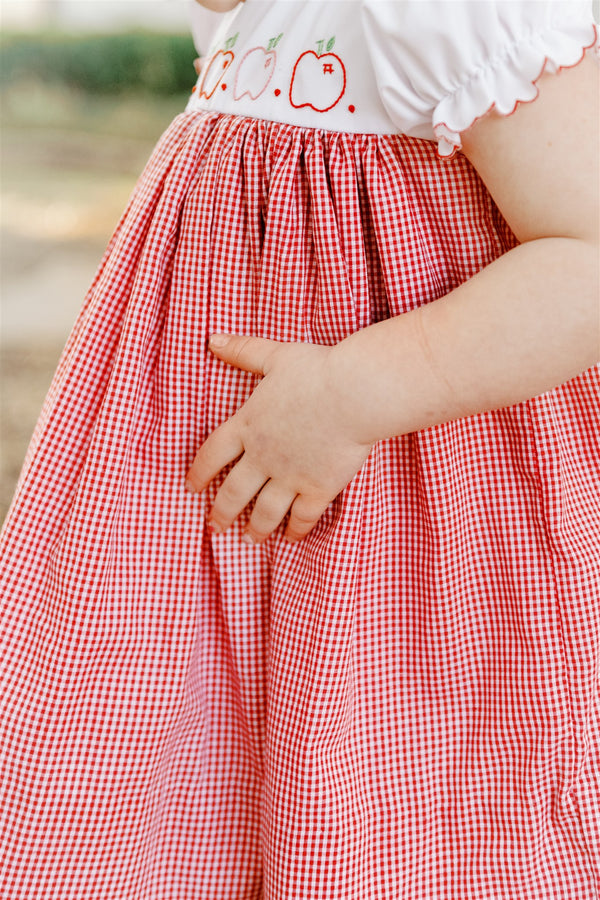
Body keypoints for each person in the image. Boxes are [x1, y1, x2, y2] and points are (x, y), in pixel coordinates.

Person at [1, 1, 598, 897]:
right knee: (137, 759)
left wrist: (353, 397)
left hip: (397, 527)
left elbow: (588, 259)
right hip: (193, 524)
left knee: (387, 791)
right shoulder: (261, 17)